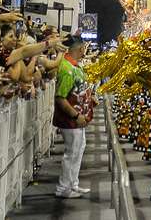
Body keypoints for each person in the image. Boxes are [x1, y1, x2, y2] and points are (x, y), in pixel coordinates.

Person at [53, 34, 94, 199]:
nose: (85, 50)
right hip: (70, 121)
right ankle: (64, 188)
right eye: (84, 48)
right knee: (72, 153)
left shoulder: (73, 65)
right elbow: (60, 98)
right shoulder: (67, 69)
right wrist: (76, 115)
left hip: (77, 121)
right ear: (79, 48)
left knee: (78, 150)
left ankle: (72, 184)